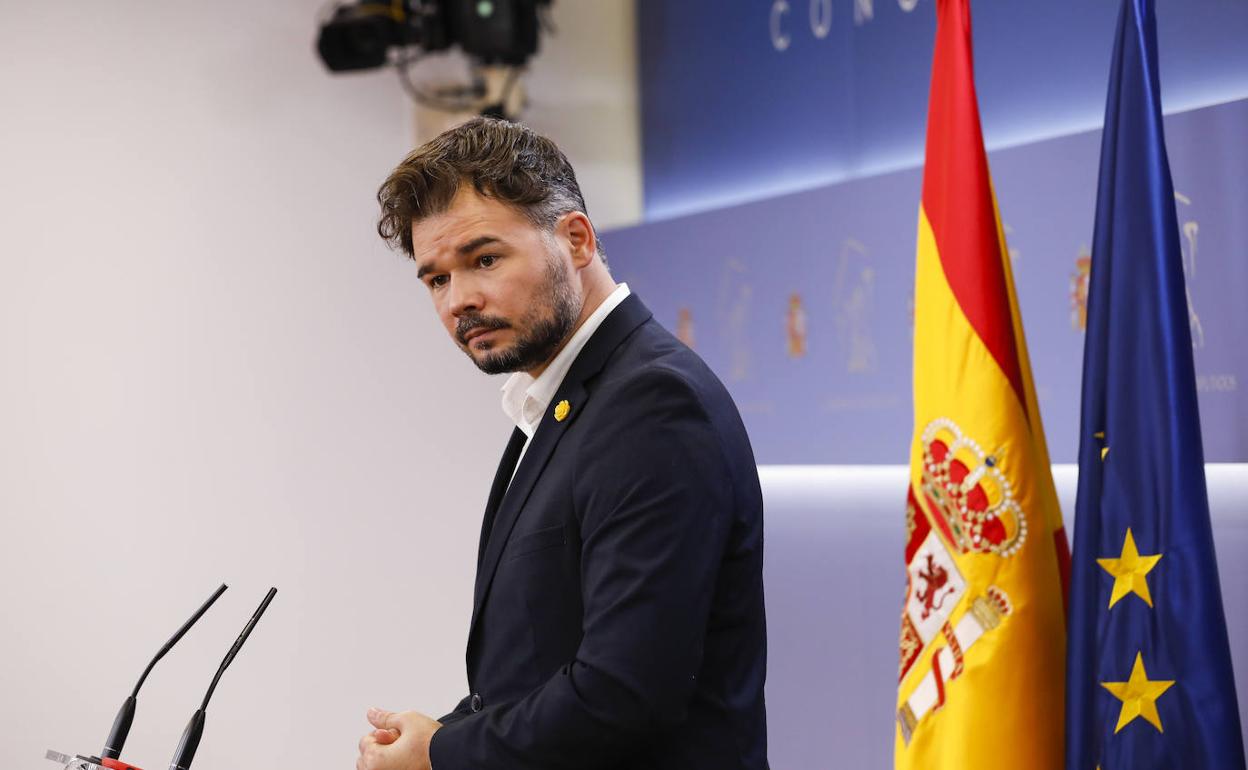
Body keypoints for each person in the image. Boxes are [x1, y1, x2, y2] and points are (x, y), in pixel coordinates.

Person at [355, 117, 768, 770]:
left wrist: (442, 753)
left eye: (484, 259)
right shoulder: (560, 400)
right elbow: (534, 669)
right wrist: (440, 734)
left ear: (575, 239)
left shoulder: (653, 405)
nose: (460, 300)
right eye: (437, 280)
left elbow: (624, 693)